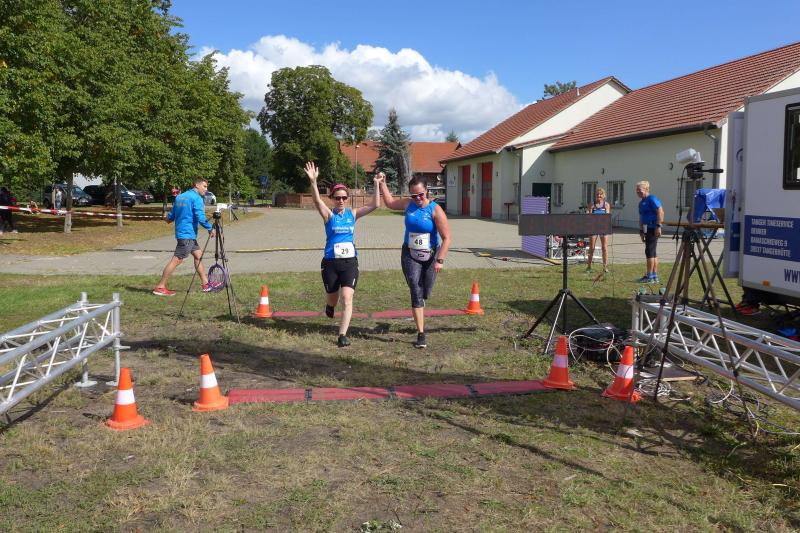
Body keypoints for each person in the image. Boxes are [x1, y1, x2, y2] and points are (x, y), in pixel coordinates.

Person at [304, 161, 384, 347]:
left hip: (349, 263)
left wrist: (376, 184)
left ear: (347, 199)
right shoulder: (329, 216)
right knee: (333, 297)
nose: (341, 201)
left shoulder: (352, 214)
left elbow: (375, 205)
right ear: (332, 198)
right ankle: (330, 305)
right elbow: (317, 201)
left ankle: (342, 335)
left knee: (347, 298)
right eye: (337, 198)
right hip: (331, 263)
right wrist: (313, 182)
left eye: (344, 198)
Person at [380, 177, 452, 349]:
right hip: (409, 253)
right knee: (415, 287)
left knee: (426, 290)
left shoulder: (435, 210)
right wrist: (382, 183)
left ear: (427, 191)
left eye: (420, 194)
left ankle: (422, 299)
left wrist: (440, 260)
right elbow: (389, 203)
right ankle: (421, 333)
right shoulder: (408, 204)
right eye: (414, 195)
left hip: (430, 255)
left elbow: (446, 238)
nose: (417, 198)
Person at [153, 177, 214, 296]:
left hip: (184, 233)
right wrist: (210, 228)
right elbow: (200, 217)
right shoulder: (197, 198)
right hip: (187, 234)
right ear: (197, 185)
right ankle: (160, 287)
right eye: (204, 186)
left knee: (198, 255)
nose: (206, 189)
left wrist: (166, 218)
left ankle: (206, 284)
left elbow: (171, 217)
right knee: (177, 259)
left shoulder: (180, 197)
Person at [636, 180, 664, 283]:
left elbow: (660, 211)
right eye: (636, 190)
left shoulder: (652, 199)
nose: (637, 192)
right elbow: (641, 217)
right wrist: (641, 231)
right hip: (646, 228)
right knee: (652, 252)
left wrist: (658, 226)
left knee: (650, 251)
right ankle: (654, 275)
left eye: (639, 190)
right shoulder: (641, 203)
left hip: (653, 228)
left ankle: (649, 276)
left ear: (646, 189)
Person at [585, 187, 611, 273]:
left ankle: (605, 267)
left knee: (604, 248)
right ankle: (589, 267)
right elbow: (588, 216)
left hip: (603, 228)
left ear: (603, 195)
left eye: (600, 194)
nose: (599, 196)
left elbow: (607, 216)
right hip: (593, 228)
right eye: (597, 194)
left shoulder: (606, 205)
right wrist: (588, 214)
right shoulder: (592, 204)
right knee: (592, 248)